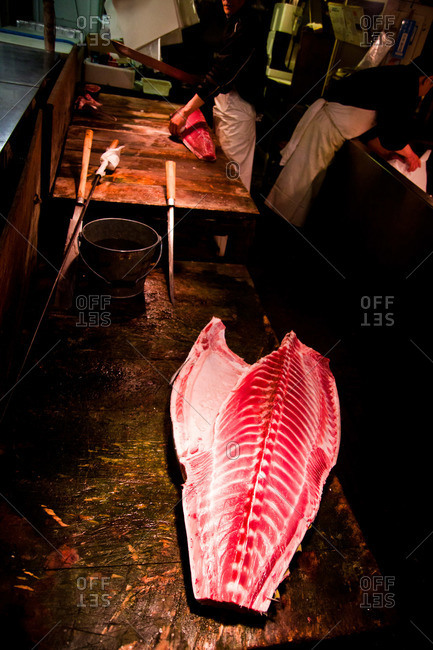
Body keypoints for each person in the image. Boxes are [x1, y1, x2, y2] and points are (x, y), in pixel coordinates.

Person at [265, 57, 433, 227]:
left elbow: (380, 126)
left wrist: (388, 151)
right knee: (297, 182)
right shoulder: (406, 85)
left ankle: (283, 228)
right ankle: (274, 228)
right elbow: (392, 136)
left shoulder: (398, 75)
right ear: (428, 79)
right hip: (327, 129)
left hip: (331, 129)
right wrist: (410, 155)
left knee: (304, 185)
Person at [169, 0, 266, 192]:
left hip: (238, 112)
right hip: (224, 106)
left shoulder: (248, 24)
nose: (227, 0)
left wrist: (186, 111)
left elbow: (222, 73)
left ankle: (235, 221)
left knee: (233, 182)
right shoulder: (232, 18)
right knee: (220, 174)